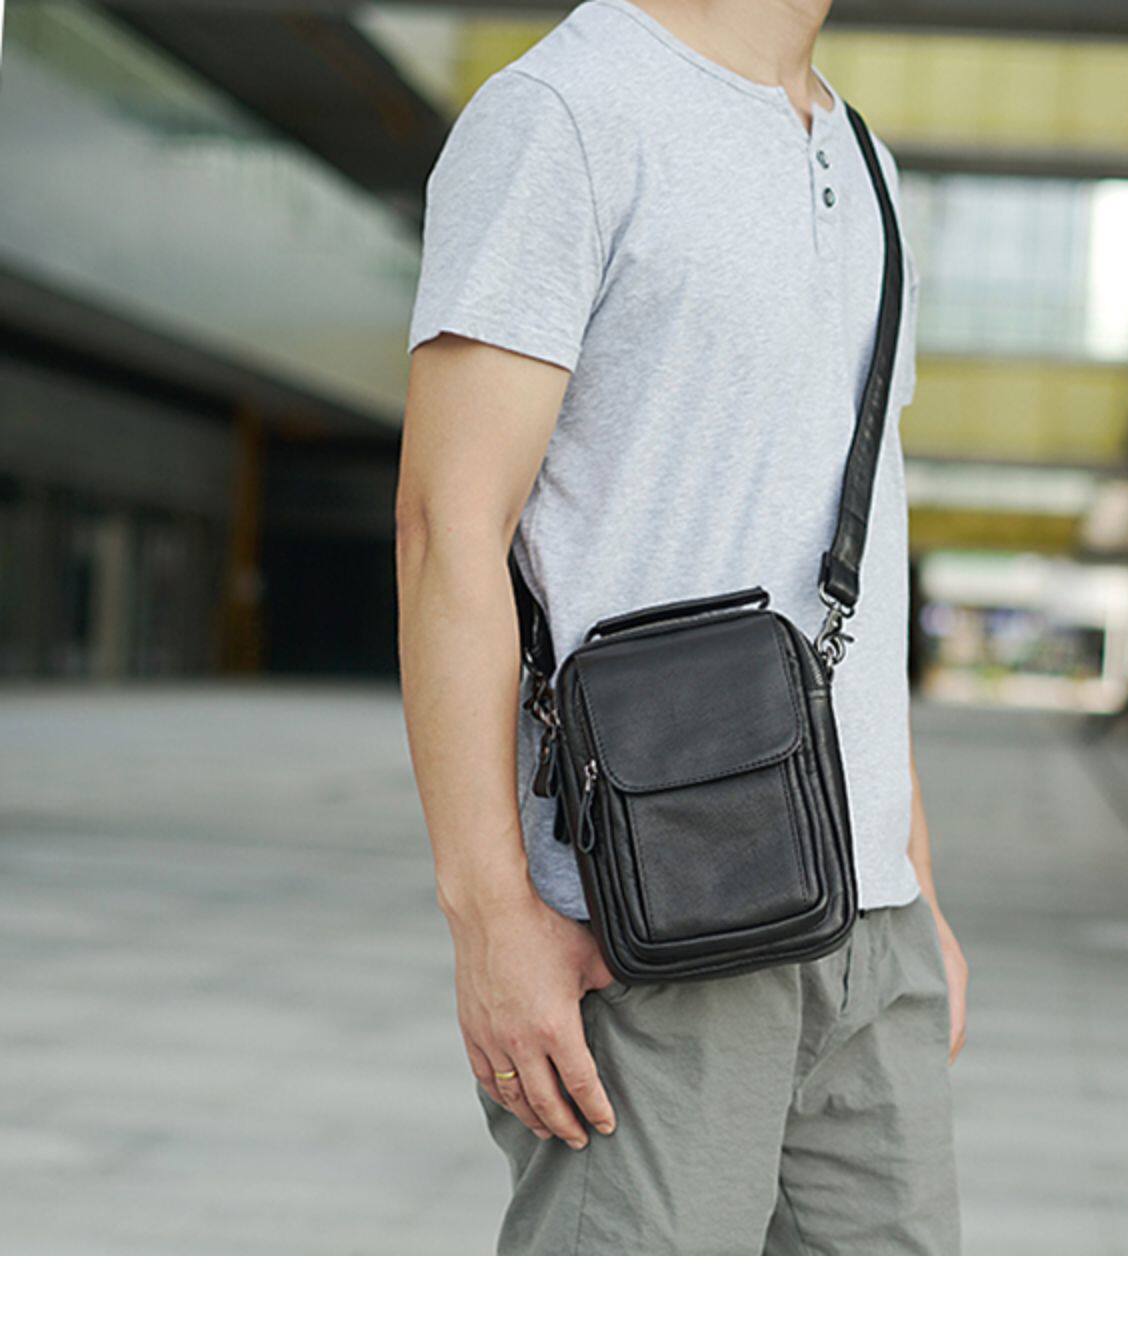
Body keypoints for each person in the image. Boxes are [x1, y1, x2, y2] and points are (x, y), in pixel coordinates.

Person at [396, 0, 966, 1255]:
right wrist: (490, 918)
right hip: (645, 922)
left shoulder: (864, 161)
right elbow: (449, 529)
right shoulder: (565, 113)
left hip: (870, 932)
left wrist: (912, 881)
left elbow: (852, 554)